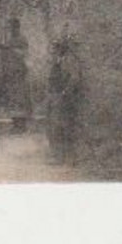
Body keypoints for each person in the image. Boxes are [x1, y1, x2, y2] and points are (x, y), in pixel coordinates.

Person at [46, 34, 85, 165]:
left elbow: (74, 79)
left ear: (62, 49)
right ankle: (60, 156)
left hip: (66, 99)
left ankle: (69, 157)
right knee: (55, 127)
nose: (53, 50)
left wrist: (64, 92)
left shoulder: (69, 61)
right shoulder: (58, 61)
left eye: (56, 48)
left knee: (65, 127)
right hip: (56, 97)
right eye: (53, 48)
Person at [1, 17, 33, 134]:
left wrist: (11, 49)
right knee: (12, 100)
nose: (11, 30)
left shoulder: (22, 39)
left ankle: (22, 126)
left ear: (17, 27)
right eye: (10, 28)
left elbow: (24, 54)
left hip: (20, 73)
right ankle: (15, 125)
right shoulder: (10, 40)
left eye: (13, 27)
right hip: (11, 74)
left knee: (20, 99)